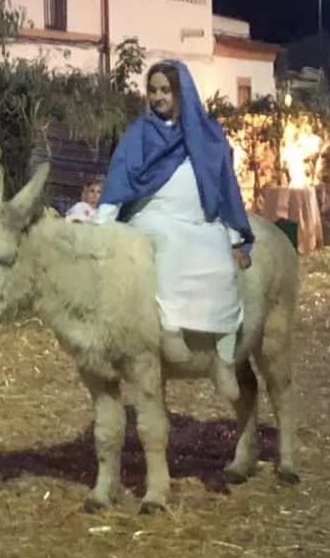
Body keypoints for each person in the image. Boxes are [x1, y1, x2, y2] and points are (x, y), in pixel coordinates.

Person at [92, 60, 253, 402]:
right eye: (152, 91)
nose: (158, 97)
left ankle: (224, 359)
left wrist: (234, 238)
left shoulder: (207, 136)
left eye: (166, 90)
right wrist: (99, 230)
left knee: (221, 263)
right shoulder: (139, 135)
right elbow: (119, 182)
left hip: (200, 221)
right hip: (153, 218)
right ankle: (170, 330)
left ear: (181, 92)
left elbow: (223, 188)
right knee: (170, 244)